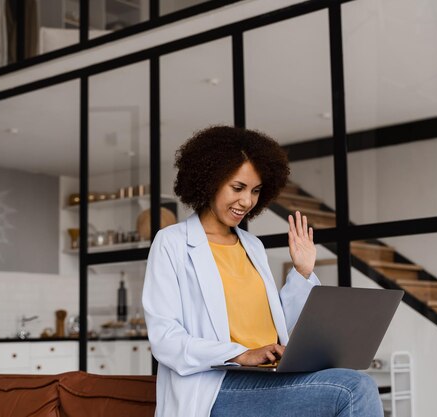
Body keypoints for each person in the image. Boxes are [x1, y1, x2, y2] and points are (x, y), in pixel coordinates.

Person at [142, 126, 383, 417]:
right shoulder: (172, 243)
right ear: (209, 182)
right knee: (353, 388)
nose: (247, 201)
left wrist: (303, 272)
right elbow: (164, 338)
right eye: (238, 187)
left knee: (347, 380)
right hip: (215, 386)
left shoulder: (252, 246)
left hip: (267, 378)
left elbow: (272, 323)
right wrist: (240, 354)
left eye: (255, 191)